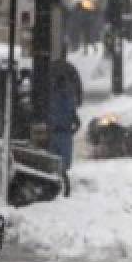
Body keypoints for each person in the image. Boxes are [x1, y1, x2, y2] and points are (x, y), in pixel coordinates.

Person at [47, 65, 79, 197]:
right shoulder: (68, 98)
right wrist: (72, 130)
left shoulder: (53, 97)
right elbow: (75, 119)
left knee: (54, 161)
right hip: (64, 133)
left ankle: (59, 187)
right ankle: (63, 187)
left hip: (57, 133)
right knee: (62, 164)